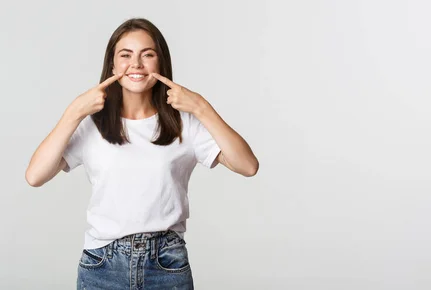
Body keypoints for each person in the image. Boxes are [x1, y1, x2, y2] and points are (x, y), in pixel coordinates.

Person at [25, 18, 259, 289]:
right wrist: (74, 112)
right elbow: (35, 176)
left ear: (160, 63)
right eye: (125, 55)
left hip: (166, 264)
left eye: (147, 55)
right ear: (112, 65)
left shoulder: (184, 122)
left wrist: (201, 107)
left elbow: (248, 166)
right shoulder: (93, 123)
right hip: (102, 265)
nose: (136, 64)